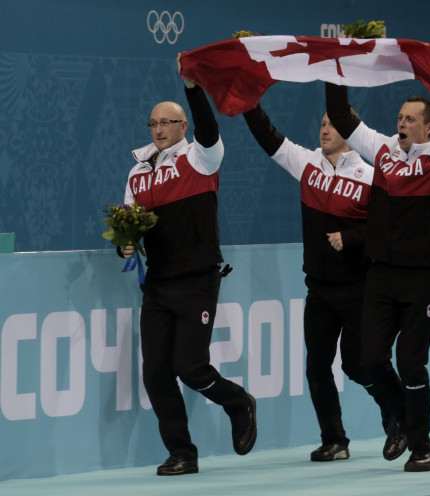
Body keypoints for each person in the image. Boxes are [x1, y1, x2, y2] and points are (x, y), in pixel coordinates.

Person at [117, 58, 257, 476]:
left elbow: (210, 132)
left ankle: (238, 402)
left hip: (197, 280)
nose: (158, 129)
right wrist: (125, 245)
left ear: (182, 128)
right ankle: (182, 452)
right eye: (152, 123)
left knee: (190, 367)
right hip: (157, 285)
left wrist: (193, 90)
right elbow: (127, 224)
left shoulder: (201, 159)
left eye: (166, 122)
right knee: (156, 373)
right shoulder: (137, 172)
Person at [241, 100, 400, 462]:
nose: (324, 130)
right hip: (319, 287)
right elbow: (269, 138)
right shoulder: (308, 164)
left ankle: (397, 412)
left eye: (333, 125)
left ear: (351, 133)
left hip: (360, 288)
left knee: (357, 366)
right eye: (323, 123)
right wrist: (250, 100)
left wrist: (352, 237)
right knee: (316, 367)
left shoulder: (371, 175)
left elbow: (385, 229)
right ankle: (334, 440)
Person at [325, 82, 430, 472]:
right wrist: (334, 66)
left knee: (410, 362)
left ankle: (422, 446)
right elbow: (342, 117)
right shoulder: (383, 149)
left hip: (421, 278)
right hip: (381, 275)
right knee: (368, 360)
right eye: (400, 117)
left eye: (410, 120)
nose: (402, 124)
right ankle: (401, 418)